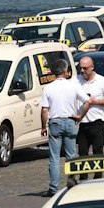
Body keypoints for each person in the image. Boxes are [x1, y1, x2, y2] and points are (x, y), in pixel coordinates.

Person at [39, 62, 87, 197]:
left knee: (54, 157)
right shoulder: (73, 85)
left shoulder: (48, 87)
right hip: (70, 120)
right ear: (65, 71)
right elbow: (87, 101)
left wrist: (43, 126)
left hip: (55, 121)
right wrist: (80, 116)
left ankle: (54, 187)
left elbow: (44, 110)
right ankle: (72, 183)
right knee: (71, 155)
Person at [76, 56, 104, 176]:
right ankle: (83, 177)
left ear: (92, 68)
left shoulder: (102, 81)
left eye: (85, 68)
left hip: (97, 121)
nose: (82, 71)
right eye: (80, 68)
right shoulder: (76, 81)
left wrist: (95, 102)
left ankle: (98, 177)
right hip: (81, 122)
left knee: (97, 151)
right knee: (82, 152)